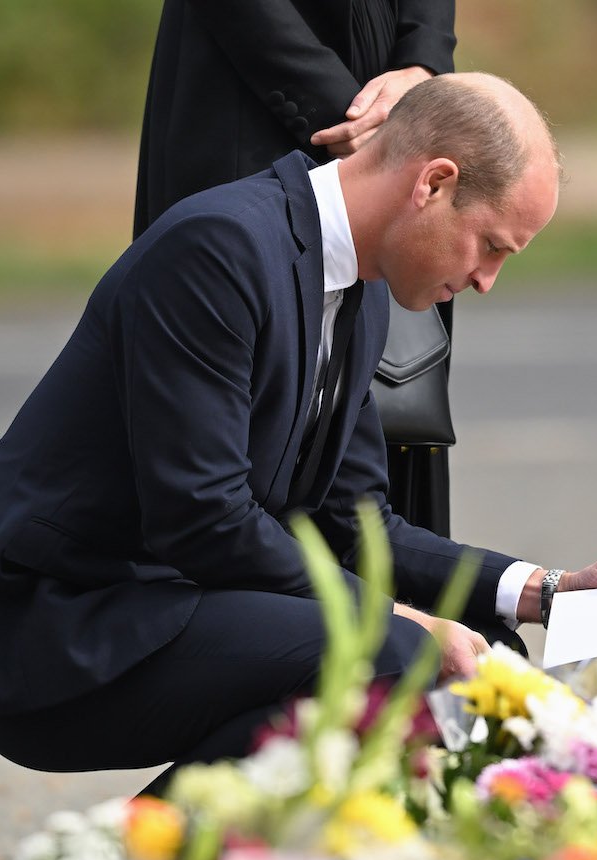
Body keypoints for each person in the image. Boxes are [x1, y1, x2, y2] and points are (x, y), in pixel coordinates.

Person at [0, 73, 597, 786]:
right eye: (493, 245)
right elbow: (202, 519)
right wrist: (408, 622)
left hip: (169, 603)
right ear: (433, 183)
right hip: (60, 624)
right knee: (398, 657)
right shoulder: (219, 248)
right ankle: (135, 854)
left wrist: (545, 590)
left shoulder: (364, 292)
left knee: (485, 660)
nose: (486, 280)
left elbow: (357, 525)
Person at [134, 0, 459, 538]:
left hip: (395, 91)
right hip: (247, 97)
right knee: (232, 453)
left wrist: (422, 70)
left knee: (395, 409)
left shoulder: (410, 119)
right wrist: (374, 136)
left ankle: (394, 606)